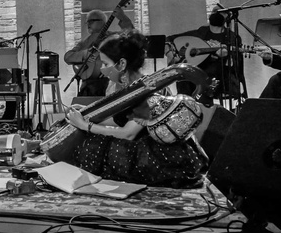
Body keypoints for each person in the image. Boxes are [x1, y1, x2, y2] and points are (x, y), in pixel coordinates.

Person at [63, 31, 207, 188]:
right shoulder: (129, 86)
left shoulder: (145, 91)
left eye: (105, 64)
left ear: (122, 64)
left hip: (157, 152)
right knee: (93, 142)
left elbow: (128, 133)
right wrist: (87, 112)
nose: (102, 69)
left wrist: (86, 126)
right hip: (140, 140)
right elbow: (120, 119)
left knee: (94, 146)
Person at [167, 6, 245, 100]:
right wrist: (169, 54)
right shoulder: (200, 33)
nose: (216, 14)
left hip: (217, 77)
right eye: (214, 12)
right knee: (183, 74)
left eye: (221, 12)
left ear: (227, 18)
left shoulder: (231, 37)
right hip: (195, 76)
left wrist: (223, 57)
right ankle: (185, 103)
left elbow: (236, 65)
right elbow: (169, 39)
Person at [64, 8, 132, 96]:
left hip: (108, 83)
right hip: (87, 86)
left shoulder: (113, 37)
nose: (88, 24)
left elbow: (131, 35)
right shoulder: (84, 42)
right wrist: (85, 54)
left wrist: (123, 18)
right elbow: (68, 57)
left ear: (102, 22)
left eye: (91, 21)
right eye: (87, 22)